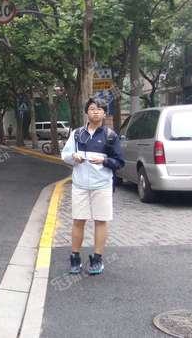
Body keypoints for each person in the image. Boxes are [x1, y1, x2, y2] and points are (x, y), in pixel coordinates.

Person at [61, 97, 124, 276]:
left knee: (100, 221)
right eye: (92, 108)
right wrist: (73, 157)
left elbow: (119, 162)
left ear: (104, 113)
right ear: (87, 112)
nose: (96, 111)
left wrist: (105, 160)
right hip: (80, 185)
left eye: (99, 109)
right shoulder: (76, 134)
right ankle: (75, 257)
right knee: (78, 220)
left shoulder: (111, 136)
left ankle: (97, 258)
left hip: (102, 185)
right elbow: (65, 155)